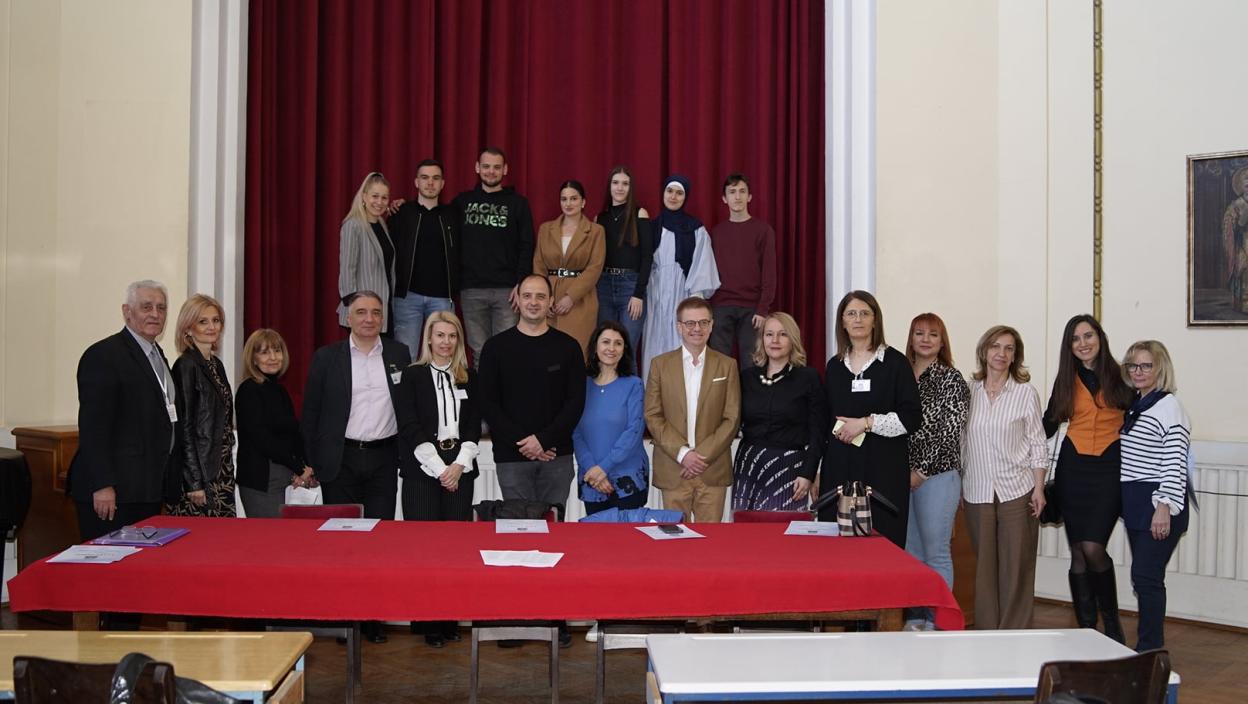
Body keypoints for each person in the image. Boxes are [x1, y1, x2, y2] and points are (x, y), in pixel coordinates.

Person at [302, 290, 412, 644]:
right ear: (347, 318)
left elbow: (409, 407)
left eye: (376, 312)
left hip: (383, 459)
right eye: (361, 312)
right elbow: (311, 413)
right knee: (343, 544)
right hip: (341, 460)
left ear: (383, 318)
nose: (369, 319)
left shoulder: (399, 354)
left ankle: (373, 618)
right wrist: (310, 462)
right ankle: (346, 619)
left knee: (379, 542)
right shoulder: (326, 357)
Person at [1043, 314, 1134, 643]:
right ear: (1069, 346)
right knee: (1079, 552)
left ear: (1100, 338)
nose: (1083, 343)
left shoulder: (1122, 375)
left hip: (1110, 470)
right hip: (1073, 469)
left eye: (1088, 336)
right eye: (1075, 339)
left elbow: (1140, 416)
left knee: (1094, 547)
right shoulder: (1066, 379)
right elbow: (1048, 424)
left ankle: (1111, 623)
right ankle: (1086, 630)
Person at [69, 280, 178, 540]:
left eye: (161, 308)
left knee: (141, 563)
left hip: (146, 489)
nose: (155, 314)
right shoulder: (104, 355)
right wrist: (103, 485)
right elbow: (94, 427)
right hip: (114, 494)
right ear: (127, 311)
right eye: (146, 307)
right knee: (111, 563)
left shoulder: (158, 356)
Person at [399, 310, 480, 648]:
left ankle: (449, 619)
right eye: (440, 335)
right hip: (422, 470)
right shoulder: (412, 375)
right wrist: (439, 468)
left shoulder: (468, 377)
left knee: (454, 552)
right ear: (429, 339)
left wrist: (458, 466)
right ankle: (428, 622)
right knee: (425, 551)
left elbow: (473, 426)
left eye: (452, 336)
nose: (446, 342)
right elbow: (409, 425)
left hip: (460, 467)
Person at [815, 291, 920, 547]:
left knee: (882, 546)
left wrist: (865, 423)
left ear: (875, 320)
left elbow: (911, 418)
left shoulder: (896, 363)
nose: (858, 319)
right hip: (839, 469)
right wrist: (817, 470)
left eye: (865, 313)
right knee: (836, 547)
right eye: (851, 313)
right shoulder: (834, 366)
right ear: (842, 322)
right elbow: (823, 422)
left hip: (883, 470)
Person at [961, 325, 1048, 630]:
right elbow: (961, 442)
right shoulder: (969, 392)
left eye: (1009, 348)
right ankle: (988, 633)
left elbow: (1038, 443)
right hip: (977, 491)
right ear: (984, 351)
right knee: (985, 569)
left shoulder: (1025, 393)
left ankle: (1015, 634)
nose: (1001, 353)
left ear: (1015, 356)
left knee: (1016, 568)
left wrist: (1039, 488)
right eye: (995, 346)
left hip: (1017, 491)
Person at [477, 275, 586, 513]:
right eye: (527, 296)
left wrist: (544, 441)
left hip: (556, 457)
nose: (533, 302)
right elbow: (487, 403)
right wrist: (527, 443)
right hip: (512, 457)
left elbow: (575, 403)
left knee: (554, 528)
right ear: (516, 299)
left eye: (540, 296)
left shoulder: (569, 347)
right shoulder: (495, 348)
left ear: (551, 301)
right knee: (518, 530)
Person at [1119, 340, 1191, 651]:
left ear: (1160, 368)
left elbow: (1174, 461)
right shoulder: (1137, 404)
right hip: (1135, 503)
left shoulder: (1169, 407)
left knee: (1146, 577)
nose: (1138, 371)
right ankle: (1150, 649)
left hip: (1158, 502)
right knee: (1145, 577)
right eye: (1133, 365)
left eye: (1146, 365)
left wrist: (1164, 507)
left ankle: (1151, 651)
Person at [644, 297, 741, 523]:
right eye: (690, 323)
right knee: (675, 540)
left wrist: (700, 457)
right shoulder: (659, 365)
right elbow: (653, 415)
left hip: (712, 470)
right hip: (674, 469)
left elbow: (732, 418)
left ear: (711, 325)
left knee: (711, 541)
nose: (697, 328)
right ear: (679, 326)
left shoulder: (727, 365)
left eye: (703, 322)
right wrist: (684, 454)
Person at [903, 313, 970, 630]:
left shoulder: (951, 379)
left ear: (942, 342)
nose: (926, 339)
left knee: (936, 553)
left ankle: (938, 623)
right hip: (902, 477)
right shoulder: (901, 375)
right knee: (911, 555)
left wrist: (921, 471)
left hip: (938, 476)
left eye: (933, 334)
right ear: (911, 338)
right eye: (919, 333)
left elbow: (949, 432)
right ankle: (915, 618)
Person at [732, 312, 825, 512]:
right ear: (761, 339)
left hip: (790, 468)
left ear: (793, 340)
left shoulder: (808, 378)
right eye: (769, 334)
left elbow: (818, 432)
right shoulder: (746, 378)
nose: (775, 340)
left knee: (782, 530)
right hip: (749, 465)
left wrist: (809, 472)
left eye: (783, 334)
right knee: (744, 529)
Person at [453, 147, 536, 366]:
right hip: (471, 290)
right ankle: (484, 390)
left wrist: (522, 283)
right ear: (477, 168)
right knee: (479, 353)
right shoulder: (462, 202)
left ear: (505, 170)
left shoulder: (518, 204)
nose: (491, 171)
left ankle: (506, 390)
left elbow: (527, 245)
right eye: (486, 166)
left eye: (496, 167)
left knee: (507, 351)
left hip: (507, 291)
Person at [641, 175, 720, 380]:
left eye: (679, 193)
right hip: (656, 298)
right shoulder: (653, 227)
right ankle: (654, 397)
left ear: (685, 197)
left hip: (682, 295)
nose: (673, 197)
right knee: (654, 348)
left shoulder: (696, 230)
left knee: (681, 346)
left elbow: (702, 267)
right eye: (669, 191)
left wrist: (694, 306)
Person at [166, 294, 236, 517]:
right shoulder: (186, 365)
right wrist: (194, 481)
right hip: (201, 473)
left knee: (224, 534)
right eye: (203, 321)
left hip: (221, 467)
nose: (211, 327)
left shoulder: (216, 364)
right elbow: (184, 427)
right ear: (188, 328)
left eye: (216, 320)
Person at [236, 329, 314, 519]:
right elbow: (263, 440)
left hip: (285, 475)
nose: (273, 357)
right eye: (264, 352)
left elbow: (293, 435)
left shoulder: (279, 391)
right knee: (269, 535)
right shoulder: (248, 390)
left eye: (277, 350)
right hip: (261, 480)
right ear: (253, 359)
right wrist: (299, 468)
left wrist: (306, 468)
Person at [573, 322, 649, 514]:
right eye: (606, 342)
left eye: (618, 343)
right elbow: (575, 431)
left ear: (625, 350)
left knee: (626, 534)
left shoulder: (634, 385)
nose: (611, 348)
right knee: (595, 533)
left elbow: (634, 431)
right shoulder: (580, 385)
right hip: (591, 477)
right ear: (595, 346)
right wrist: (593, 469)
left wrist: (603, 468)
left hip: (627, 477)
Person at [389, 159, 460, 358]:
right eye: (425, 177)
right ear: (416, 182)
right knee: (406, 356)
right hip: (407, 298)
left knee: (443, 355)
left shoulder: (453, 215)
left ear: (442, 183)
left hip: (442, 298)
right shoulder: (401, 213)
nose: (430, 183)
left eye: (435, 178)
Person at [709, 173, 777, 369]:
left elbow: (769, 273)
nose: (737, 197)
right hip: (721, 307)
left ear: (749, 197)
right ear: (724, 198)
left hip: (752, 309)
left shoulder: (763, 231)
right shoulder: (716, 233)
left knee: (751, 365)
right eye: (732, 192)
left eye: (742, 191)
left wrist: (763, 309)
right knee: (719, 366)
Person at [534, 179, 606, 357]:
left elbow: (595, 267)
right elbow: (539, 265)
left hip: (581, 299)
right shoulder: (545, 229)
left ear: (583, 202)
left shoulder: (596, 231)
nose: (568, 203)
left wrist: (571, 297)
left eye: (573, 199)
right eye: (564, 199)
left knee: (577, 353)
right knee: (547, 353)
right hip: (550, 300)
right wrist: (544, 298)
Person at [594, 166, 653, 357]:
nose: (620, 188)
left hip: (630, 287)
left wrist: (638, 294)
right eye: (615, 183)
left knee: (626, 350)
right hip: (603, 287)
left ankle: (630, 380)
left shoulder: (640, 214)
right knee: (605, 349)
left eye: (625, 184)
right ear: (609, 186)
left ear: (630, 188)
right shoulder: (599, 218)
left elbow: (647, 257)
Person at [337, 172, 395, 333]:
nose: (379, 202)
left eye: (384, 198)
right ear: (364, 196)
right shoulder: (353, 225)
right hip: (364, 314)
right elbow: (347, 269)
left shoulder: (382, 224)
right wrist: (356, 308)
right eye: (375, 196)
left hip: (383, 308)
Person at [1222, 167, 1248, 313]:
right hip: (1242, 242)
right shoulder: (1236, 205)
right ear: (1240, 185)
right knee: (1243, 269)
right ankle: (1244, 303)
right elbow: (1231, 225)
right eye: (1246, 180)